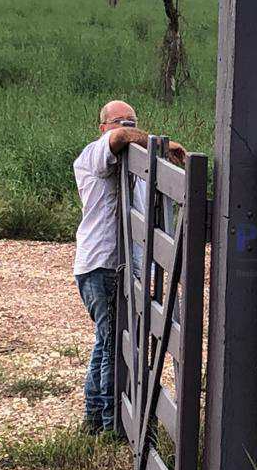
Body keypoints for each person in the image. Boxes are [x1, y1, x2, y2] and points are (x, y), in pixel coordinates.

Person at [73, 99, 185, 434]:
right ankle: (113, 425)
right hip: (104, 264)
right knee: (115, 344)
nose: (124, 125)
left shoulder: (136, 167)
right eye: (117, 120)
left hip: (118, 265)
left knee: (106, 341)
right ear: (102, 126)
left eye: (131, 120)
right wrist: (158, 144)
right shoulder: (94, 154)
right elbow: (120, 140)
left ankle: (95, 421)